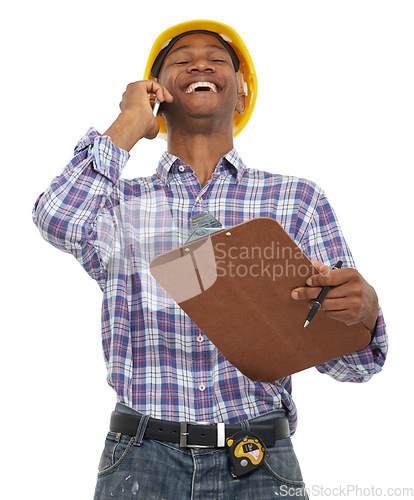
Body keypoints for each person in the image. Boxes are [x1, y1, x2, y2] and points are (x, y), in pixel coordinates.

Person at [32, 19, 388, 500]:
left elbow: (354, 367)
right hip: (141, 460)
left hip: (260, 462)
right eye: (180, 60)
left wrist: (363, 314)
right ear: (156, 93)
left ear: (242, 92)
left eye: (217, 60)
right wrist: (126, 127)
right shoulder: (117, 205)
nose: (199, 63)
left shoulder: (296, 201)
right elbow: (56, 218)